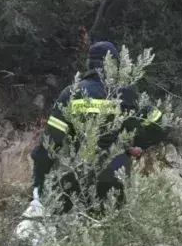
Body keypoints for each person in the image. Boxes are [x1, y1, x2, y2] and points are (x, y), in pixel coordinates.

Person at [29, 41, 167, 215]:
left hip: (77, 176)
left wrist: (38, 189)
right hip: (115, 178)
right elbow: (160, 123)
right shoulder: (127, 94)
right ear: (114, 65)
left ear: (89, 64)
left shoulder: (72, 93)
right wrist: (135, 144)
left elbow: (50, 144)